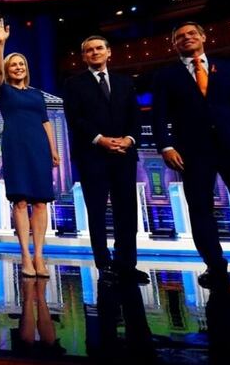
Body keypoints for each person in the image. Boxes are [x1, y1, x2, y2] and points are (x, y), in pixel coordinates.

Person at [152, 21, 230, 290]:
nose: (186, 38)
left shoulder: (229, 68)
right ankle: (215, 265)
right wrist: (165, 146)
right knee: (200, 209)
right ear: (174, 44)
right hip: (192, 152)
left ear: (203, 37)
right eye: (180, 36)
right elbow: (159, 114)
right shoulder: (166, 75)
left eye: (192, 33)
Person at [63, 35, 148, 284]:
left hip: (124, 153)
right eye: (89, 50)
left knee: (127, 210)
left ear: (109, 52)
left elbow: (135, 116)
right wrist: (100, 139)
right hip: (92, 155)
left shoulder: (124, 82)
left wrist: (129, 139)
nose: (95, 53)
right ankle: (104, 263)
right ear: (83, 56)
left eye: (99, 48)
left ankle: (127, 263)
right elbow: (75, 119)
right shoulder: (73, 83)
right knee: (97, 211)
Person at [0, 20, 59, 277]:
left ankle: (40, 256)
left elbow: (45, 122)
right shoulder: (3, 90)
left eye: (21, 64)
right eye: (13, 64)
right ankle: (25, 256)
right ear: (8, 69)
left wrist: (53, 149)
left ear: (26, 68)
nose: (18, 67)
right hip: (15, 147)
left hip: (39, 148)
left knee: (41, 202)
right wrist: (1, 43)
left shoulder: (37, 94)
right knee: (20, 201)